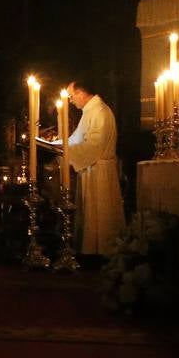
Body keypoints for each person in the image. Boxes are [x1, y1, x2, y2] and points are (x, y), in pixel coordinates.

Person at [66, 79, 125, 260]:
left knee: (101, 214)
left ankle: (101, 252)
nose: (70, 100)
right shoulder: (89, 111)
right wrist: (59, 145)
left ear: (81, 93)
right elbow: (76, 139)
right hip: (91, 169)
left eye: (71, 95)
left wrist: (66, 150)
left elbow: (94, 146)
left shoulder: (100, 111)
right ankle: (90, 250)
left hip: (99, 171)